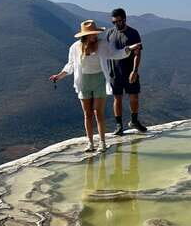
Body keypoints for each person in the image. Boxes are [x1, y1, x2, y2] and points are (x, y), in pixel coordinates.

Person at [49, 20, 141, 153]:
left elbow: (115, 53)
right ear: (86, 35)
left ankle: (102, 142)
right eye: (93, 34)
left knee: (98, 112)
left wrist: (130, 48)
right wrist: (59, 76)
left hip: (99, 80)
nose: (95, 35)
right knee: (87, 114)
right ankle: (90, 143)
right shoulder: (75, 47)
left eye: (96, 33)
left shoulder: (102, 44)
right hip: (84, 81)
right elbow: (70, 65)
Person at [106, 7, 147, 135]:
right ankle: (119, 126)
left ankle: (134, 121)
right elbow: (106, 52)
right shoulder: (110, 33)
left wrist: (134, 71)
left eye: (118, 21)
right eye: (114, 22)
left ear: (124, 19)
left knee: (134, 97)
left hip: (129, 71)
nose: (116, 24)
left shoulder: (133, 33)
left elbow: (137, 54)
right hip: (114, 72)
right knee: (117, 98)